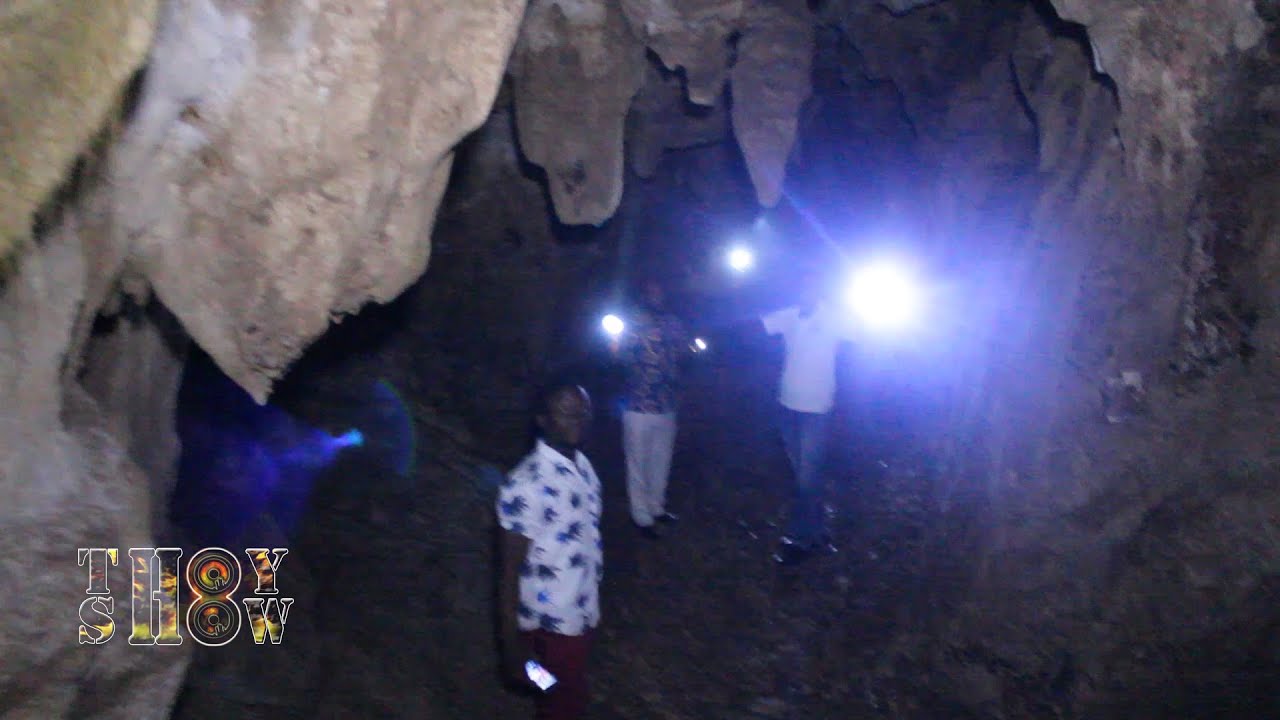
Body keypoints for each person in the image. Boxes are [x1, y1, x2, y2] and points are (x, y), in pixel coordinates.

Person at [497, 383, 603, 720]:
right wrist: (511, 647)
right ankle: (536, 678)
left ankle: (542, 685)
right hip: (550, 625)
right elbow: (508, 571)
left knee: (562, 692)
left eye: (583, 410)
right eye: (566, 411)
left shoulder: (582, 466)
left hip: (581, 611)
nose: (578, 418)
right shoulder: (526, 483)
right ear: (542, 419)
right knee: (561, 700)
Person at [761, 269, 856, 565]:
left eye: (812, 286)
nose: (806, 292)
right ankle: (818, 531)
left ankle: (797, 539)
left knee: (806, 478)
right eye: (801, 286)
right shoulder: (788, 315)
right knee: (804, 476)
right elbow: (757, 326)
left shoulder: (835, 316)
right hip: (786, 405)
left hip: (816, 409)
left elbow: (865, 331)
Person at [610, 277, 689, 539]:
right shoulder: (630, 321)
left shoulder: (673, 322)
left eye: (659, 291)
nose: (656, 295)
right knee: (637, 462)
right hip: (637, 403)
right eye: (651, 291)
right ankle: (641, 516)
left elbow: (684, 354)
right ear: (643, 295)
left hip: (666, 403)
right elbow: (616, 356)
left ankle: (657, 507)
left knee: (661, 460)